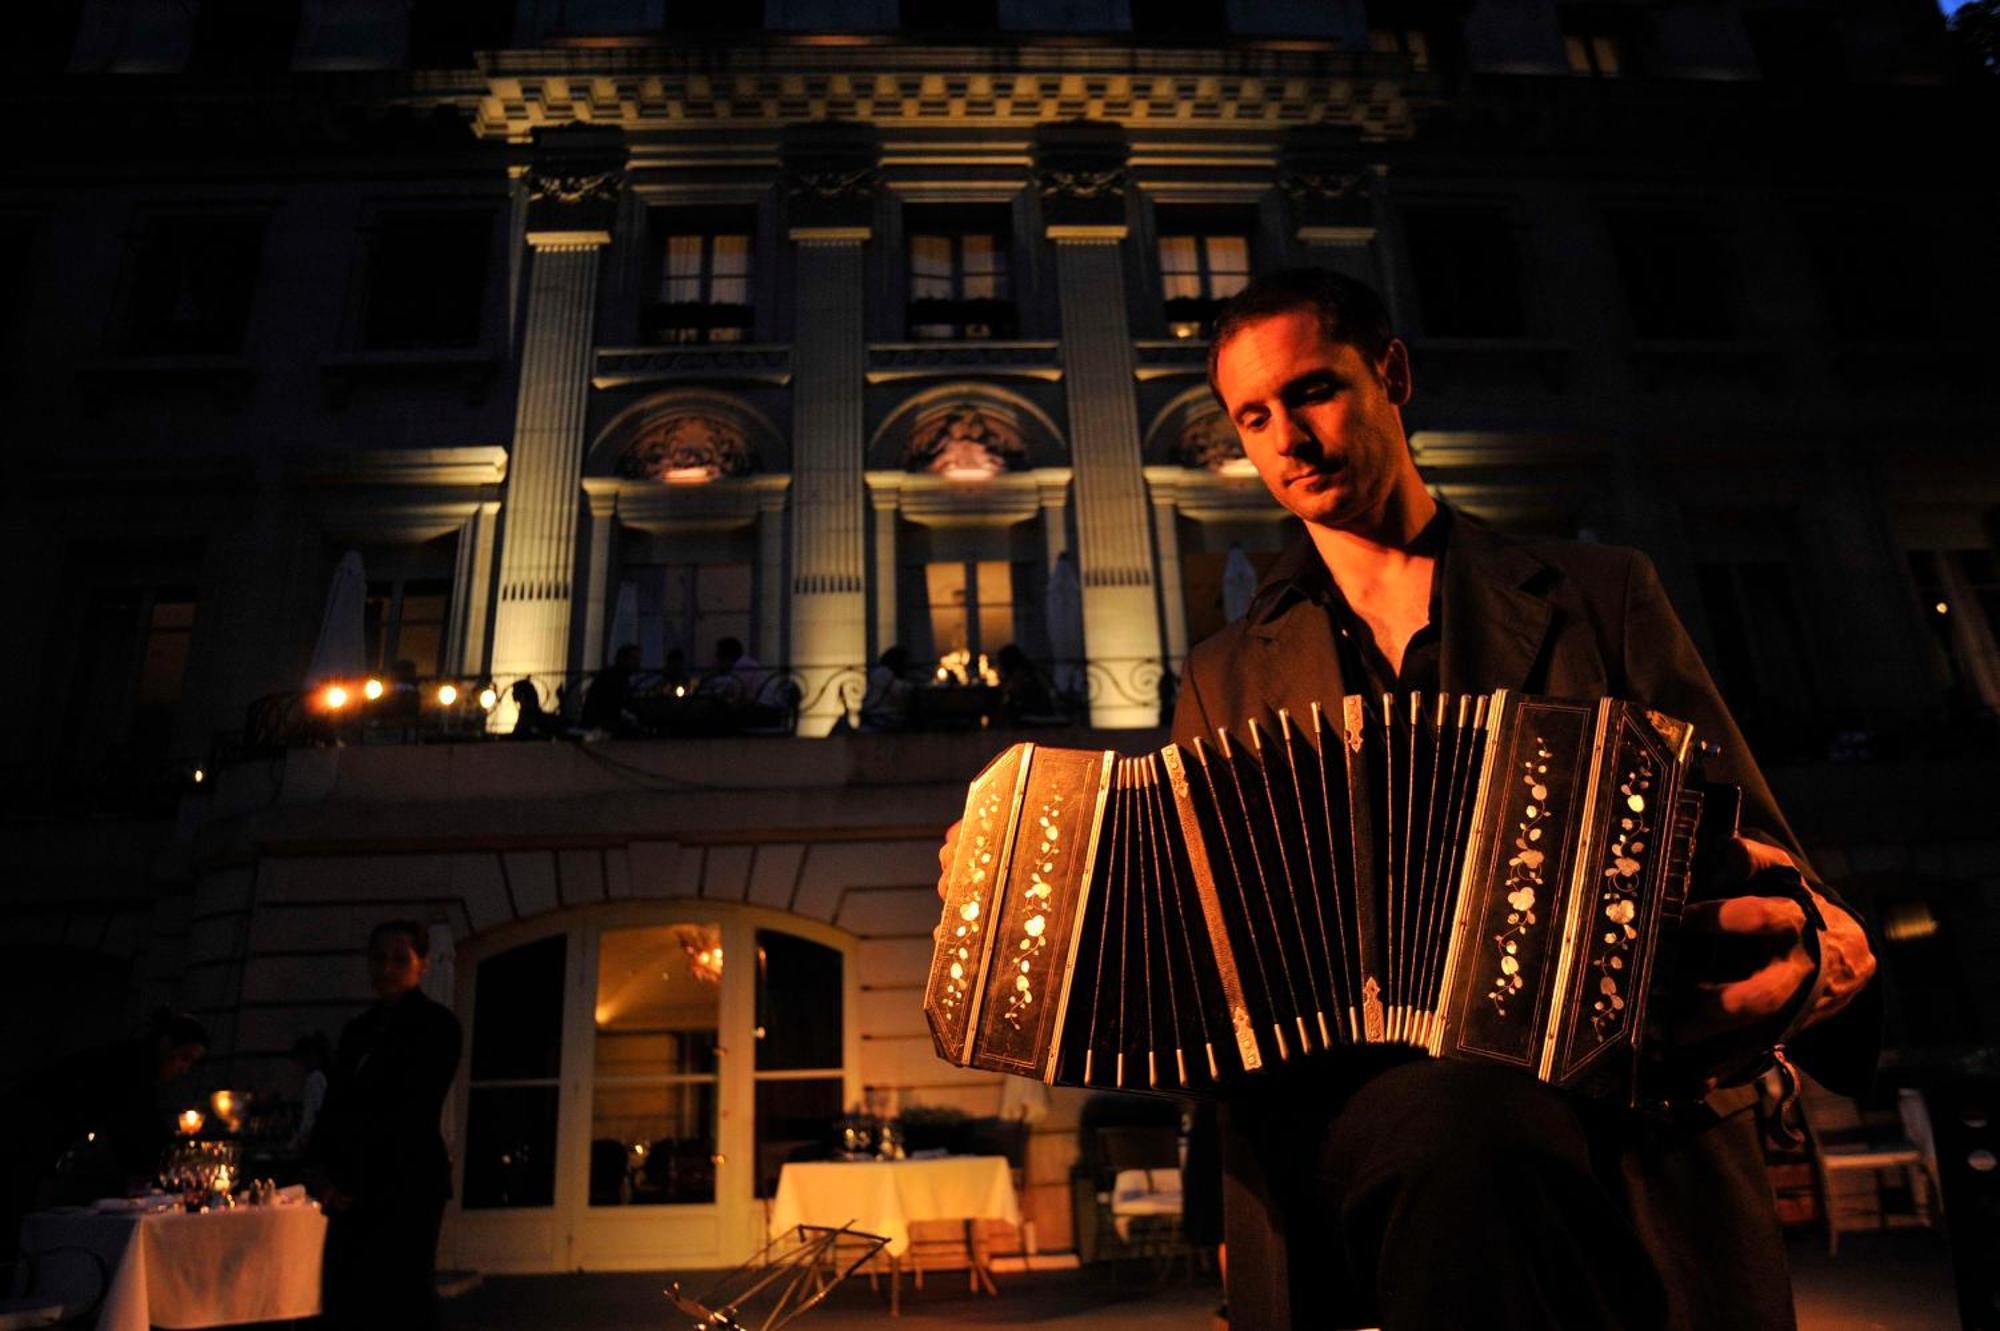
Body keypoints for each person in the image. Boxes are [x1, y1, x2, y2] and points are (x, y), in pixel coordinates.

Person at [935, 269, 1878, 1330]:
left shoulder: (1598, 592)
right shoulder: (1220, 673)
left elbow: (1754, 851)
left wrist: (1812, 941)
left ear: (1390, 372)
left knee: (1470, 1124)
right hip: (1341, 1129)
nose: (1284, 437)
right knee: (1450, 1120)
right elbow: (1189, 951)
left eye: (1311, 392)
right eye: (1252, 415)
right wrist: (1022, 890)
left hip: (1613, 1111)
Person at [310, 920, 463, 1331]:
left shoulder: (437, 1026)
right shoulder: (358, 1030)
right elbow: (336, 1107)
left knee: (402, 1296)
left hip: (405, 1183)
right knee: (346, 1294)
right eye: (378, 959)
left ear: (422, 965)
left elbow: (411, 1108)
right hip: (349, 1185)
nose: (387, 968)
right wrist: (323, 1175)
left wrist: (354, 1178)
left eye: (400, 959)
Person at [582, 642, 643, 735]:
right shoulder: (613, 677)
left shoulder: (618, 677)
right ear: (623, 659)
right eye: (634, 659)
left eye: (638, 659)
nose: (638, 663)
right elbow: (613, 705)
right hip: (604, 727)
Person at [859, 645, 915, 732]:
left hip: (872, 719)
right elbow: (902, 695)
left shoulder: (875, 674)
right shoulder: (893, 680)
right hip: (888, 722)